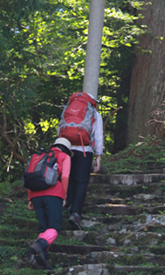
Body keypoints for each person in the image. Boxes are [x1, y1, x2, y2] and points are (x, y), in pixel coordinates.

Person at [58, 92, 103, 230]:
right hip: (85, 150)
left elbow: (60, 127)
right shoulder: (94, 113)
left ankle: (68, 205)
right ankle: (75, 213)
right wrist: (98, 156)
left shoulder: (68, 108)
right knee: (81, 182)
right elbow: (98, 134)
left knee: (68, 178)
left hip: (66, 148)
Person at [27, 138, 72, 270]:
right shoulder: (64, 157)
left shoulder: (40, 156)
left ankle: (42, 259)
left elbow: (31, 176)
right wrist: (64, 195)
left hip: (36, 194)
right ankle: (39, 245)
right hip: (53, 194)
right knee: (54, 227)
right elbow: (65, 177)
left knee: (44, 228)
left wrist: (30, 198)